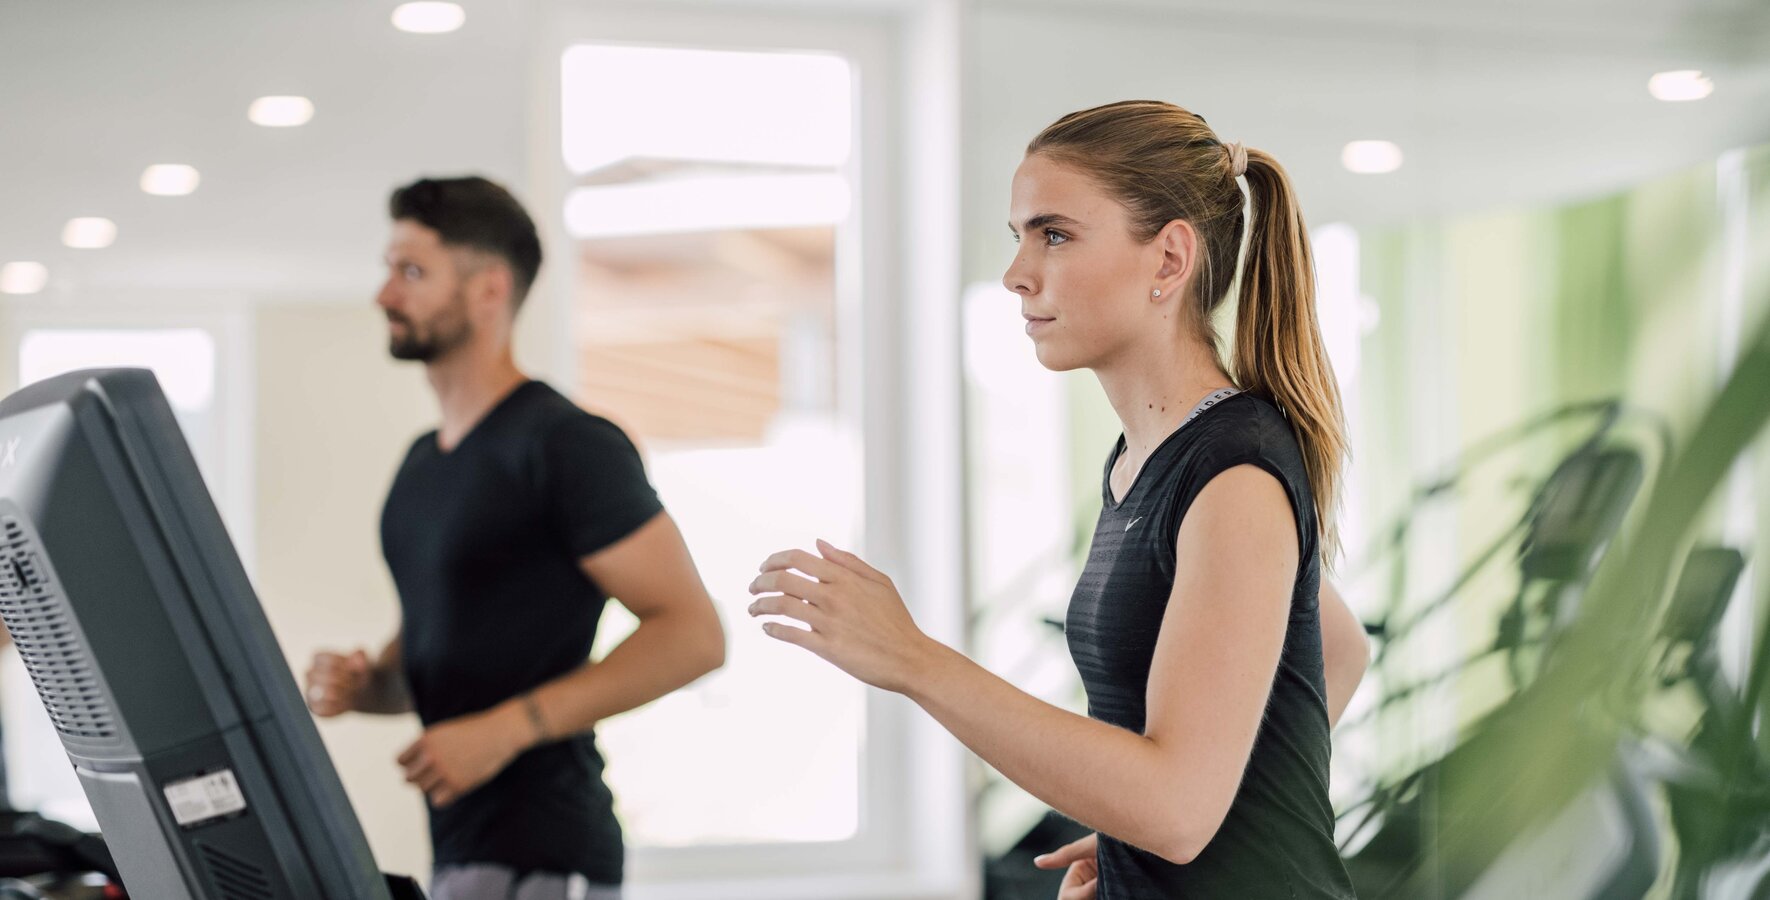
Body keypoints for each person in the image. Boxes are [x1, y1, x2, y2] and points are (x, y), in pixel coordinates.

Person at [746, 101, 1369, 898]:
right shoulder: (1148, 457)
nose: (1017, 273)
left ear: (1170, 260)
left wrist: (914, 658)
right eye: (1019, 237)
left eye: (1056, 234)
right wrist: (1126, 836)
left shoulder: (1234, 470)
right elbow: (1337, 647)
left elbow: (1177, 809)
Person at [304, 176, 726, 900]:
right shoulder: (420, 465)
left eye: (411, 271)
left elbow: (693, 635)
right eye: (388, 269)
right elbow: (439, 651)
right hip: (462, 847)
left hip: (547, 846)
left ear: (488, 289)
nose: (384, 294)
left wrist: (507, 729)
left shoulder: (565, 444)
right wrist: (365, 683)